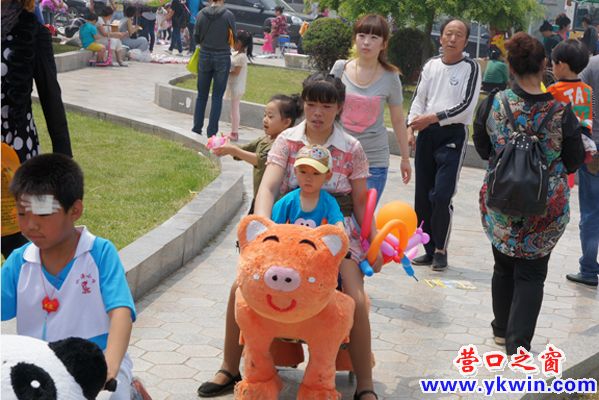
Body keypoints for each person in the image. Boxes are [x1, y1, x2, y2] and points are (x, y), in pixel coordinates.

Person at [198, 73, 382, 400]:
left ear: (339, 108)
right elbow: (269, 187)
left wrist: (375, 242)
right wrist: (263, 229)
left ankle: (365, 383)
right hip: (287, 231)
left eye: (326, 106)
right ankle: (229, 366)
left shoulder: (351, 148)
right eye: (311, 104)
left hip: (335, 235)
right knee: (239, 287)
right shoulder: (287, 140)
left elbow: (360, 201)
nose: (318, 113)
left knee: (354, 296)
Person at [472, 32, 585, 355]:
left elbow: (482, 146)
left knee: (503, 265)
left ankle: (500, 330)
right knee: (532, 274)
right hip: (545, 207)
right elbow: (574, 159)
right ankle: (518, 344)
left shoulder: (494, 103)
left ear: (510, 66)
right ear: (544, 63)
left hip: (501, 201)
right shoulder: (562, 112)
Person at [0, 154, 144, 399]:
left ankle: (131, 391)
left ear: (75, 210)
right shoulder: (19, 262)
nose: (31, 224)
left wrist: (110, 366)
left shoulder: (99, 254)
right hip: (39, 367)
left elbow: (121, 312)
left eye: (43, 214)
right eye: (23, 214)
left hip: (94, 367)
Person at [406, 18, 481, 271]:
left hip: (452, 135)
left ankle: (441, 249)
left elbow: (466, 106)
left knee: (441, 194)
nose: (452, 38)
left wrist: (433, 118)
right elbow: (419, 99)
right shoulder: (431, 65)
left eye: (458, 35)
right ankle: (428, 248)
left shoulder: (470, 68)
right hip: (426, 134)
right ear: (441, 37)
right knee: (422, 196)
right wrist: (410, 126)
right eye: (448, 33)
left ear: (466, 41)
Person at [1, 0, 72, 259]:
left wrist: (64, 162)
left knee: (18, 240)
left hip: (15, 150)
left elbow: (51, 98)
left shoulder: (33, 32)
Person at [331, 14, 411, 204]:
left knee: (362, 218)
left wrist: (405, 158)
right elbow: (325, 109)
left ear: (384, 44)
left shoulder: (391, 77)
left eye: (374, 37)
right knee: (334, 216)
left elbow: (398, 120)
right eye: (362, 36)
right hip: (337, 155)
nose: (366, 42)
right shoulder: (340, 68)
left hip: (373, 161)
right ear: (355, 39)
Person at [213, 94, 302, 214]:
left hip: (272, 202)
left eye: (270, 116)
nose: (265, 119)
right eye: (265, 115)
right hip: (258, 197)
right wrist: (227, 147)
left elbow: (259, 160)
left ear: (286, 122)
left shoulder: (281, 145)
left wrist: (233, 150)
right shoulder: (264, 139)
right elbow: (243, 150)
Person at [566, 54, 599, 287]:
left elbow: (578, 104)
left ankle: (588, 269)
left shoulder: (591, 65)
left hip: (594, 149)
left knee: (591, 212)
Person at [271, 144, 345, 229]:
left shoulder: (329, 203)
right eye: (303, 172)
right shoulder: (287, 201)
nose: (308, 178)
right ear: (295, 171)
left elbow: (338, 225)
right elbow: (274, 228)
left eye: (316, 173)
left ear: (328, 176)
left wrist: (339, 228)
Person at [192, 0, 236, 137]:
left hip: (205, 54)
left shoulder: (201, 14)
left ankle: (196, 128)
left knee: (201, 95)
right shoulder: (228, 15)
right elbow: (234, 37)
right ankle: (211, 132)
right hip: (222, 56)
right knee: (217, 97)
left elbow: (196, 36)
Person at [547, 39, 597, 160]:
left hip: (560, 142)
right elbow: (592, 114)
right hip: (582, 143)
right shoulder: (588, 90)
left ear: (561, 65)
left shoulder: (553, 90)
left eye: (553, 64)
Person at [225, 30, 252, 141]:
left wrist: (225, 71)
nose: (233, 44)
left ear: (239, 43)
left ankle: (234, 133)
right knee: (234, 109)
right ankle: (233, 131)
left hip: (236, 87)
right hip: (234, 85)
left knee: (234, 110)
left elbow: (236, 72)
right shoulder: (237, 54)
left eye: (234, 42)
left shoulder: (241, 57)